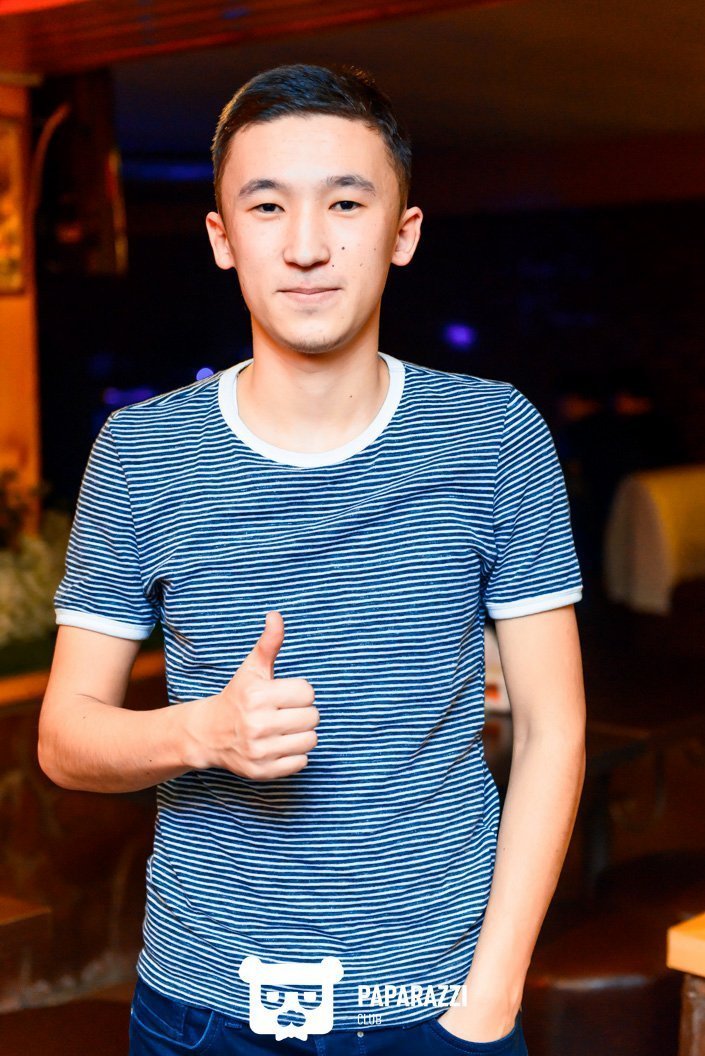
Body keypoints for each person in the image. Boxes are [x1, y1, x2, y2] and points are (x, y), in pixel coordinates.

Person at [37, 63, 586, 1055]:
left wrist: (491, 997)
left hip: (436, 1007)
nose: (305, 245)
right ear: (222, 238)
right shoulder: (142, 454)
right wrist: (203, 733)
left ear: (402, 232)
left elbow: (553, 728)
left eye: (344, 202)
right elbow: (65, 738)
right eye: (267, 206)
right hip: (204, 1012)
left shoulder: (493, 438)